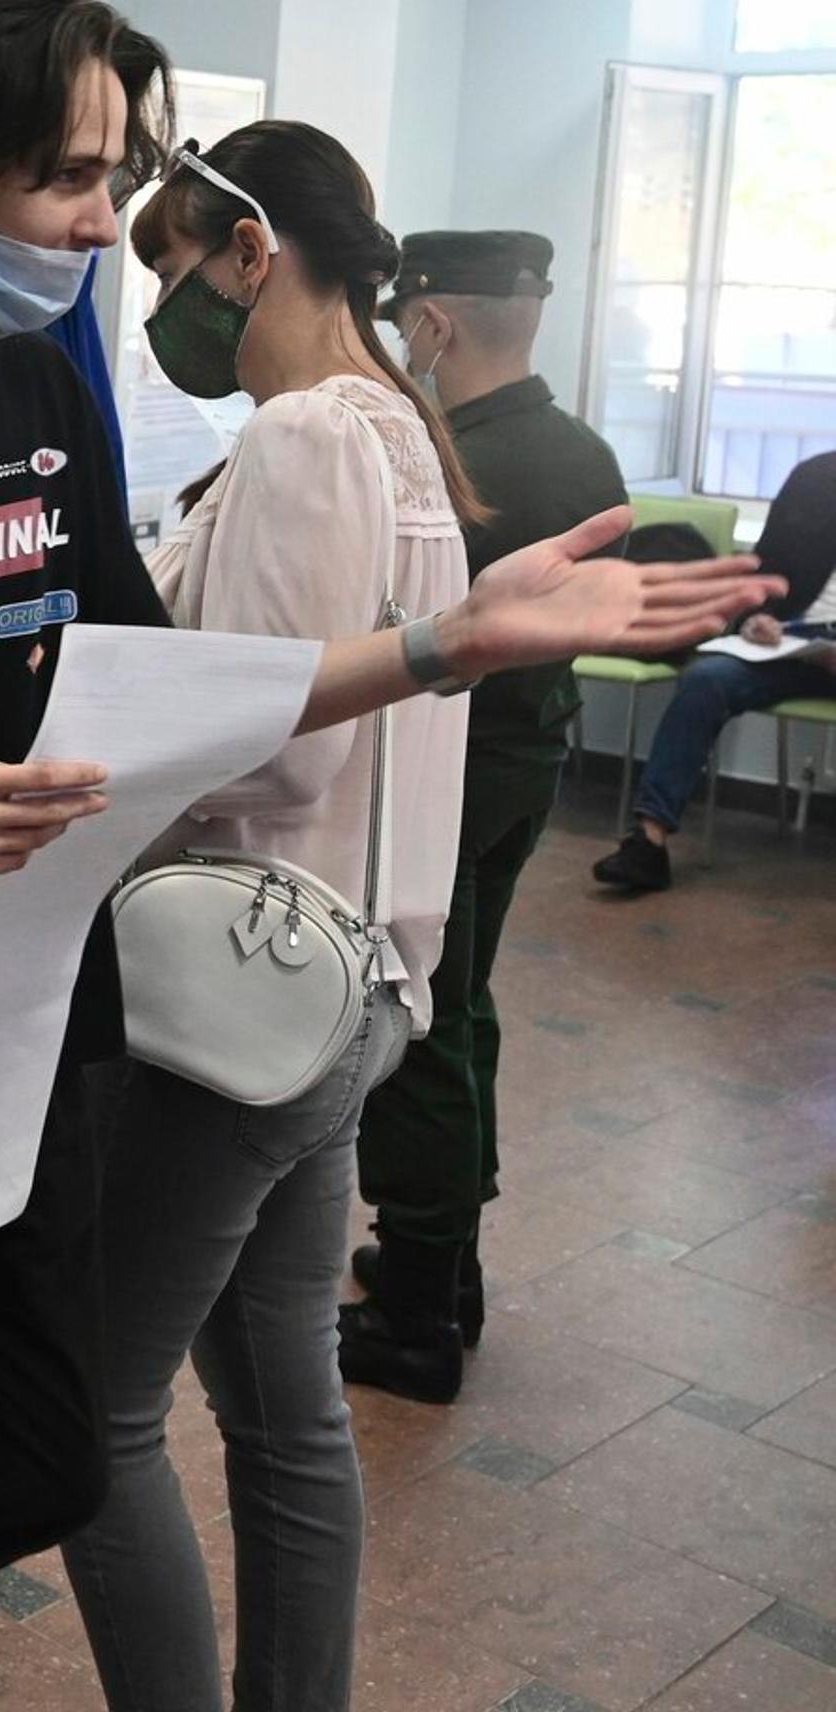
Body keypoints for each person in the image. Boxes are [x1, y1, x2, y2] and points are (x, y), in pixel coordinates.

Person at [0, 0, 772, 1712]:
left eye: (115, 174)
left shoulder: (39, 399)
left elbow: (158, 689)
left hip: (20, 1029)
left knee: (46, 1453)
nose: (103, 218)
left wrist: (448, 640)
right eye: (69, 177)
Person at [58, 123, 481, 1712]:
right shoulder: (398, 430)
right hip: (353, 993)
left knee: (85, 1421)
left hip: (243, 994)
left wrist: (84, 780)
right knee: (284, 1405)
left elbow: (275, 735)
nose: (161, 298)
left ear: (252, 249)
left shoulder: (308, 436)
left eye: (172, 262)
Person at [342, 231, 627, 1401]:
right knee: (464, 1005)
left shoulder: (449, 461)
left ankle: (415, 1315)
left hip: (453, 769)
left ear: (436, 325)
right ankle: (444, 1267)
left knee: (417, 1023)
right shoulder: (583, 451)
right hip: (531, 762)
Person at [593, 447, 836, 892]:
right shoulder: (817, 480)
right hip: (796, 646)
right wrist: (757, 621)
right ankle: (649, 843)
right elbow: (764, 574)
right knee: (706, 679)